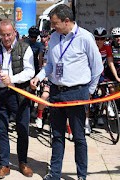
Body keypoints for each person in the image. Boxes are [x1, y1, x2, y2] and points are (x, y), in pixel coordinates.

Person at [30, 4, 103, 180]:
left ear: (67, 21)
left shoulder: (85, 37)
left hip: (77, 94)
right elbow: (50, 65)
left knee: (78, 137)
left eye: (55, 23)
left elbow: (97, 68)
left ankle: (81, 175)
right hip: (56, 92)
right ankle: (54, 173)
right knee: (56, 135)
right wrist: (38, 77)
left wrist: (88, 92)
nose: (52, 27)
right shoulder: (54, 37)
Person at [0, 19, 35, 179]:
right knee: (2, 130)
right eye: (3, 35)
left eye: (9, 34)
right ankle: (4, 164)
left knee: (22, 129)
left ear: (14, 32)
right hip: (1, 94)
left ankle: (23, 162)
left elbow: (30, 72)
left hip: (19, 94)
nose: (6, 38)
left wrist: (12, 79)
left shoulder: (25, 47)